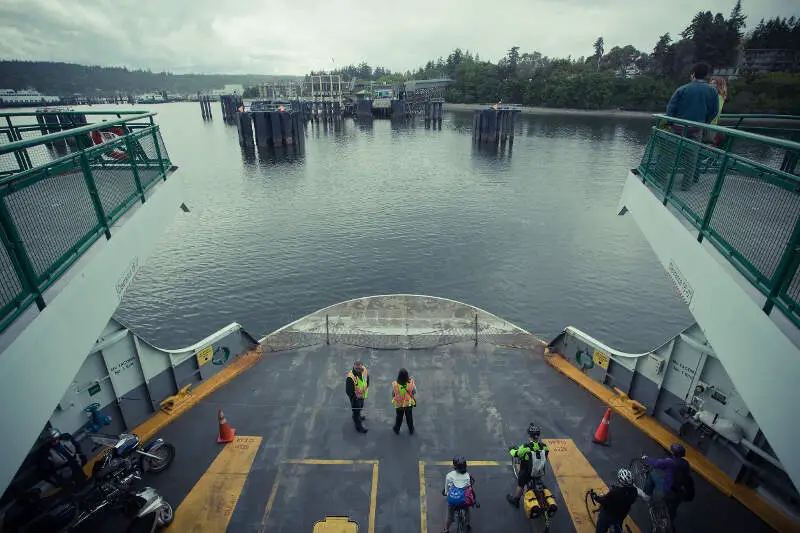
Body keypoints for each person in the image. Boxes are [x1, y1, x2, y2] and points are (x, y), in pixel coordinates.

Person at [641, 443, 694, 530]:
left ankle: (647, 495)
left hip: (669, 491)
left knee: (652, 474)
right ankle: (670, 523)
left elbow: (656, 463)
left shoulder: (669, 462)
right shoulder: (686, 464)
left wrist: (646, 458)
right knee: (673, 509)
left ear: (673, 452)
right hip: (680, 492)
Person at [506, 423, 549, 507]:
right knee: (539, 481)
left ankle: (516, 501)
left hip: (527, 472)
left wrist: (510, 449)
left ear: (529, 436)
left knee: (521, 484)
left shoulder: (526, 447)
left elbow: (516, 454)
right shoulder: (544, 446)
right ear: (538, 435)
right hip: (539, 470)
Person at [591, 468, 638, 533]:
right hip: (622, 513)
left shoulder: (614, 493)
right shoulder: (634, 491)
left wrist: (596, 498)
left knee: (601, 528)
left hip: (609, 514)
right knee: (618, 524)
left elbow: (604, 501)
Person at [443, 457, 476, 532]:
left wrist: (446, 493)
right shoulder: (467, 476)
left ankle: (446, 529)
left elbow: (446, 490)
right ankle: (467, 524)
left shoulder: (449, 475)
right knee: (467, 510)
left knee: (450, 516)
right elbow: (468, 487)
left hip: (453, 501)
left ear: (455, 466)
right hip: (463, 500)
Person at [345, 361, 370, 433]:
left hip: (362, 395)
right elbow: (348, 391)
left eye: (359, 368)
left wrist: (366, 387)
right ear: (354, 367)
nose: (358, 370)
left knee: (361, 407)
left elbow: (367, 379)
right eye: (356, 368)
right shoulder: (351, 377)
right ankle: (359, 427)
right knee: (356, 411)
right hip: (355, 399)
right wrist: (355, 397)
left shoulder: (364, 370)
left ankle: (357, 416)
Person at [391, 368, 416, 435]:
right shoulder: (411, 383)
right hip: (408, 404)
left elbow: (393, 394)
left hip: (399, 405)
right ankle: (411, 429)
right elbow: (414, 392)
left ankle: (396, 429)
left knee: (399, 418)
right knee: (409, 418)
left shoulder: (396, 385)